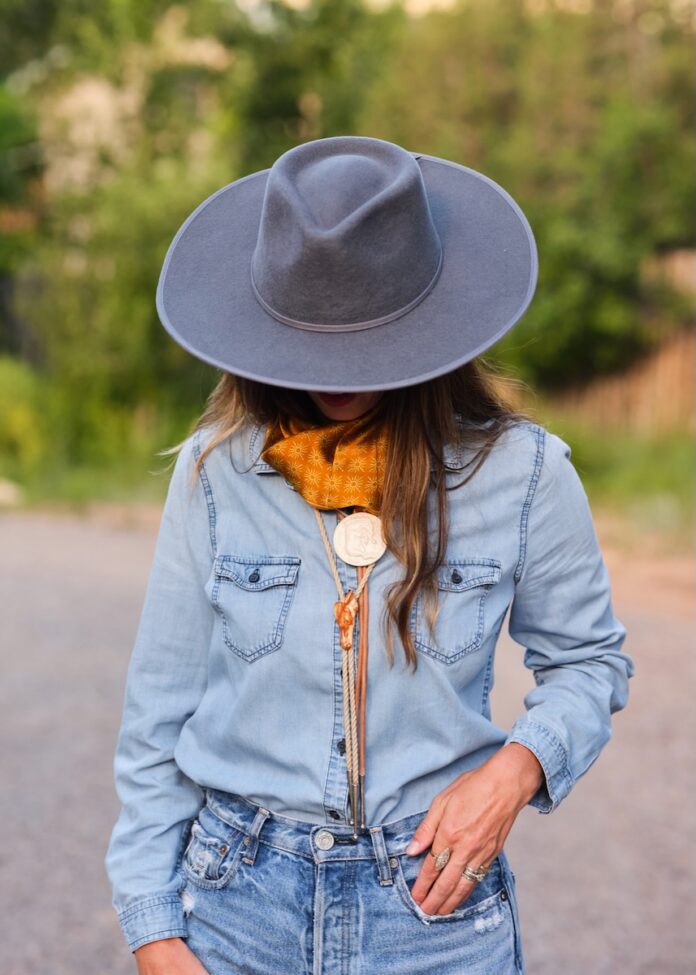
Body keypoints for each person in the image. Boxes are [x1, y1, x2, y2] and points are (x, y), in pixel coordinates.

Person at [104, 136, 636, 975]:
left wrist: (514, 772)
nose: (337, 366)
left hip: (433, 910)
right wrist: (153, 926)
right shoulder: (217, 473)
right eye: (315, 332)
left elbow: (589, 662)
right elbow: (156, 718)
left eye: (363, 333)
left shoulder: (525, 473)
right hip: (237, 903)